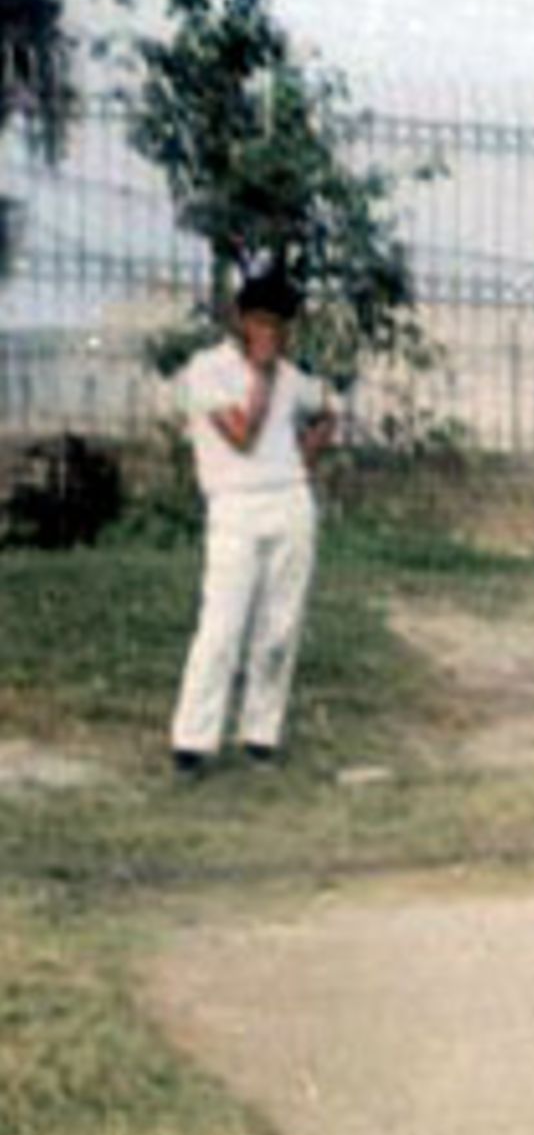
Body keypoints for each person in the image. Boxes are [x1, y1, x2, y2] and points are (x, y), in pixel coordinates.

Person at [170, 264, 335, 777]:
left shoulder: (291, 377)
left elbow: (328, 409)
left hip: (289, 505)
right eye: (261, 322)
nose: (271, 334)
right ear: (240, 319)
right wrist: (260, 375)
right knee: (222, 626)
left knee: (279, 628)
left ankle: (260, 734)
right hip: (234, 507)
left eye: (280, 326)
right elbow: (241, 433)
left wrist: (302, 461)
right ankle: (193, 742)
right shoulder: (207, 370)